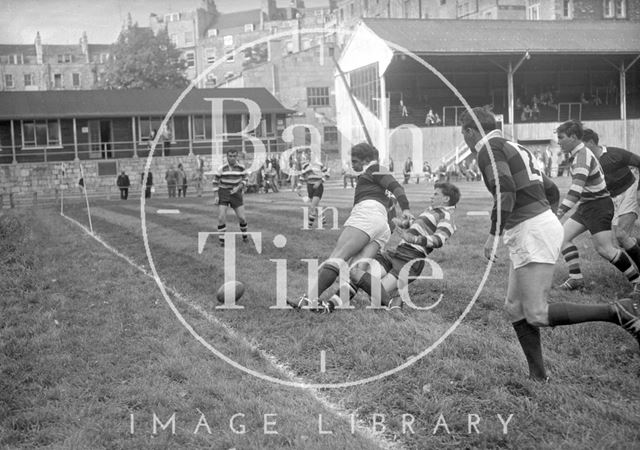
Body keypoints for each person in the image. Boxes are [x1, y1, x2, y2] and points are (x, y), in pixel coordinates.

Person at [460, 106, 640, 381]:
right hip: (534, 227)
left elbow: (505, 188)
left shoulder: (487, 149)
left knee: (536, 312)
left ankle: (618, 312)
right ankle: (538, 376)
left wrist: (493, 234)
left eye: (464, 134)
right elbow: (551, 189)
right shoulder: (512, 144)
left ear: (469, 131)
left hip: (532, 230)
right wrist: (546, 216)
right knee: (514, 307)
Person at [292, 142, 413, 312]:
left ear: (365, 160)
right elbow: (391, 203)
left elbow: (397, 187)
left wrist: (406, 208)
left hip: (366, 215)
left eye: (355, 161)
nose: (353, 165)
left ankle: (308, 300)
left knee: (338, 256)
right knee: (357, 272)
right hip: (381, 224)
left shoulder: (375, 169)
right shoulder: (377, 177)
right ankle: (390, 304)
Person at [328, 182, 459, 309]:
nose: (432, 196)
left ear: (446, 199)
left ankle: (394, 302)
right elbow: (421, 227)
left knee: (374, 296)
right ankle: (331, 305)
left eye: (436, 194)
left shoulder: (447, 216)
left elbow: (438, 240)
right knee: (357, 274)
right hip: (396, 252)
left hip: (410, 259)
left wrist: (412, 238)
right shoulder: (432, 211)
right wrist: (405, 224)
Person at [555, 120, 640, 292]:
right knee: (562, 238)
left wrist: (558, 212)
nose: (558, 141)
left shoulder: (582, 156)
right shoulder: (579, 154)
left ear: (573, 137)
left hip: (598, 207)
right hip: (588, 205)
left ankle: (637, 281)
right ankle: (576, 279)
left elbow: (576, 190)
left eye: (561, 137)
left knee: (605, 249)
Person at [582, 128, 640, 276]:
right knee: (623, 241)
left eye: (582, 144)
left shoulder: (615, 154)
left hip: (628, 191)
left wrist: (639, 188)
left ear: (590, 142)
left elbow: (638, 162)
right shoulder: (586, 163)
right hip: (611, 200)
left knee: (621, 235)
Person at [213, 150, 249, 246]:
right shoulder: (222, 168)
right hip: (223, 192)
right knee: (221, 217)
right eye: (230, 156)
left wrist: (239, 187)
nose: (232, 158)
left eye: (234, 156)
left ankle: (245, 236)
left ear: (237, 157)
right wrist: (216, 196)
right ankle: (222, 241)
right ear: (227, 156)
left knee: (242, 218)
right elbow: (215, 181)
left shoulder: (241, 167)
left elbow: (246, 179)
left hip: (236, 193)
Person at [299, 159, 329, 228]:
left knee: (312, 206)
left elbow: (327, 174)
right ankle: (323, 221)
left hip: (318, 187)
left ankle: (309, 225)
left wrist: (319, 182)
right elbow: (302, 176)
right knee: (317, 206)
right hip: (309, 187)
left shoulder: (319, 164)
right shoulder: (305, 165)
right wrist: (299, 187)